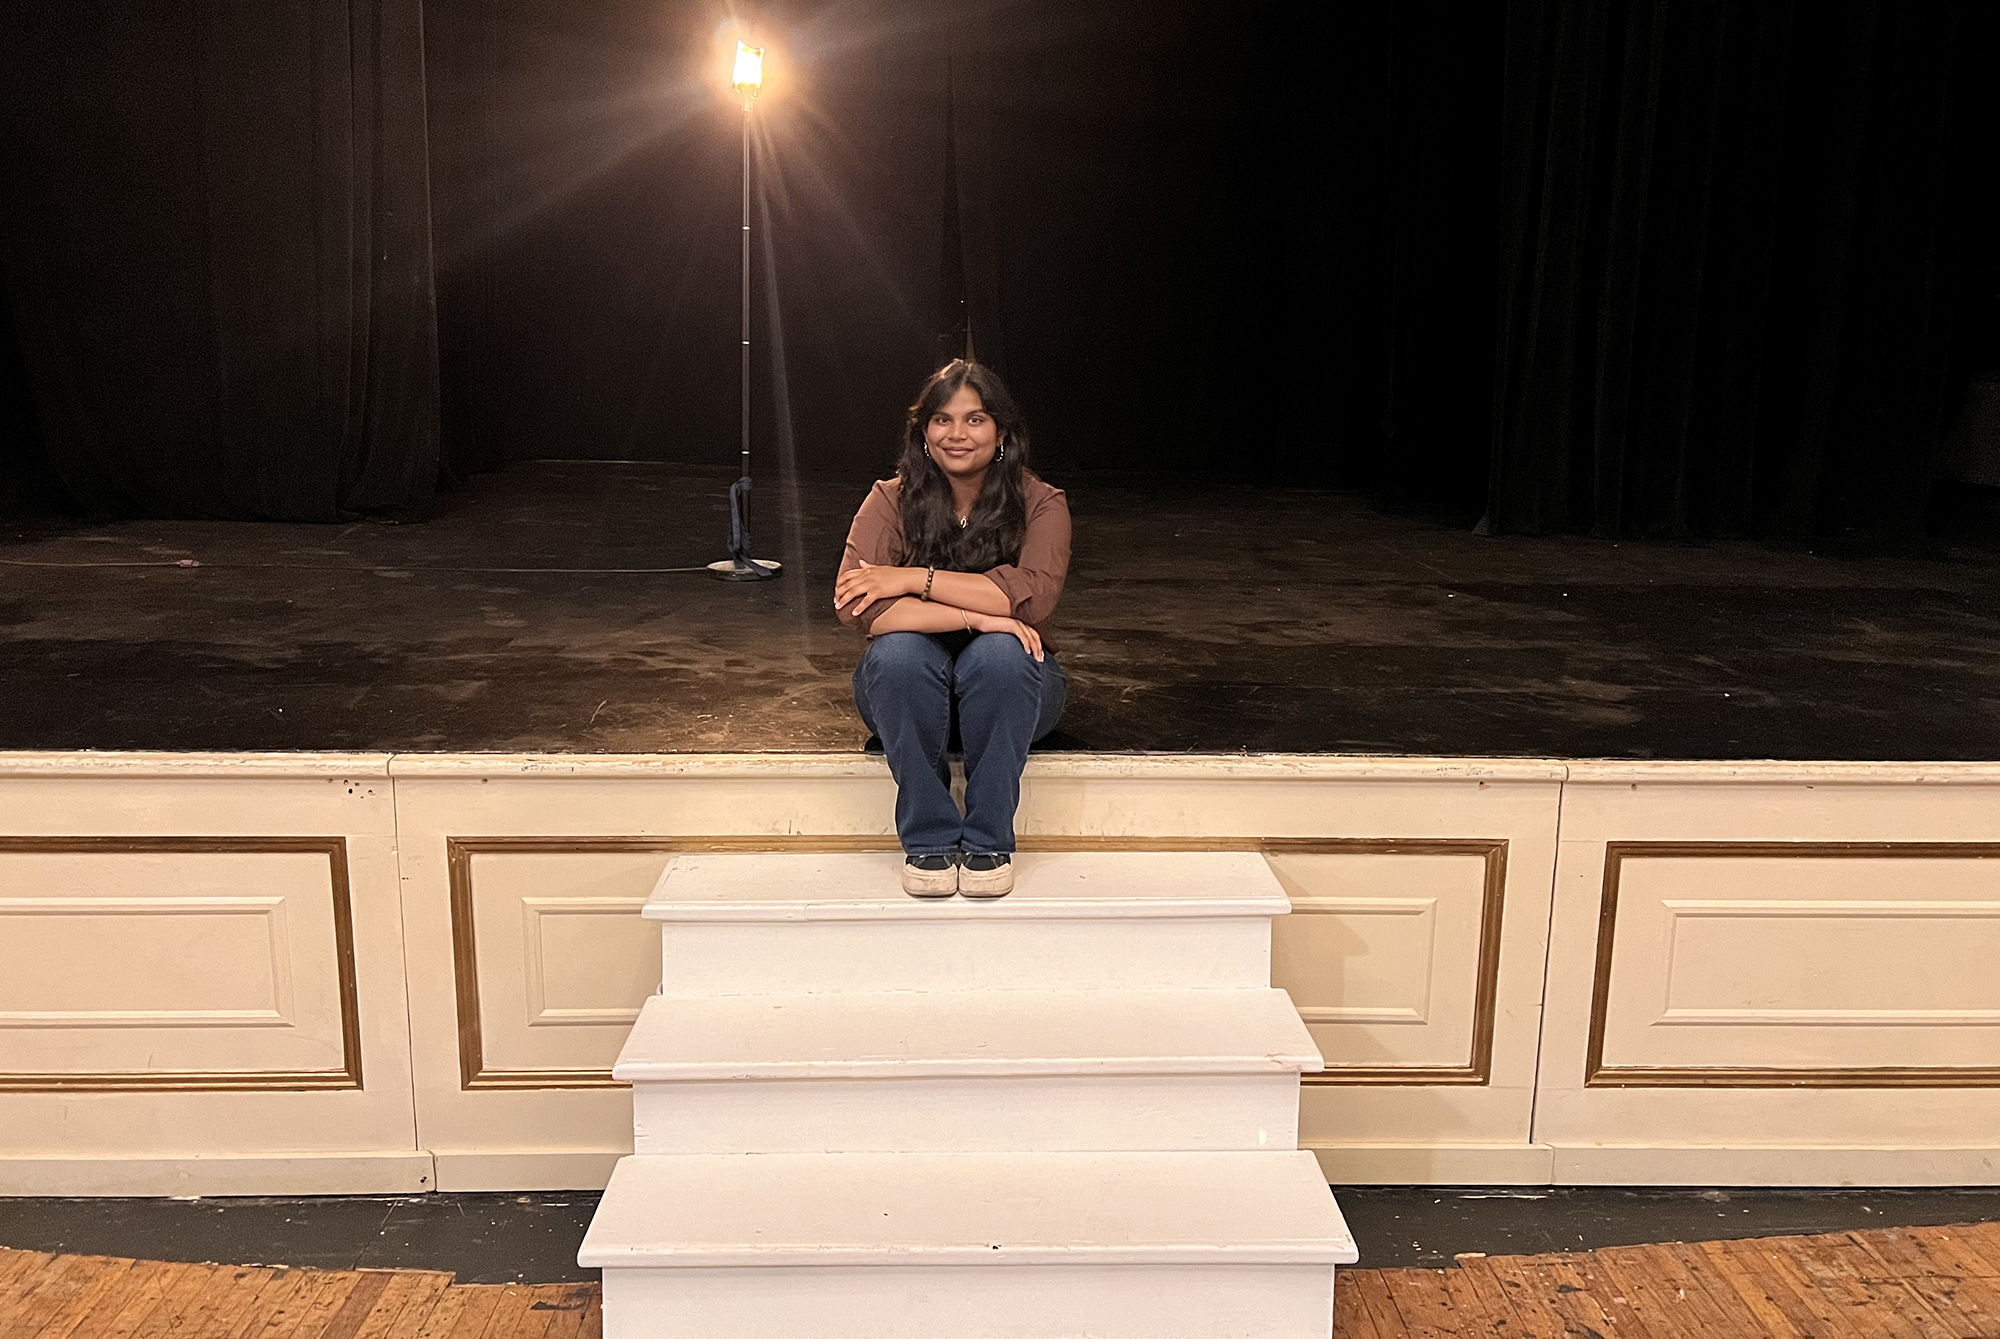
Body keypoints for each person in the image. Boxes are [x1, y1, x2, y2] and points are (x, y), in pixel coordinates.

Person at [834, 359, 1071, 898]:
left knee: (1002, 655)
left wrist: (911, 578)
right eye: (942, 420)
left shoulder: (1041, 503)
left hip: (1015, 696)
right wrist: (982, 614)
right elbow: (862, 609)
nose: (957, 434)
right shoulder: (888, 500)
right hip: (907, 699)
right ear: (923, 432)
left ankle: (989, 840)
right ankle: (930, 840)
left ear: (1003, 432)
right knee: (898, 655)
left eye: (976, 419)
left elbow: (1030, 595)